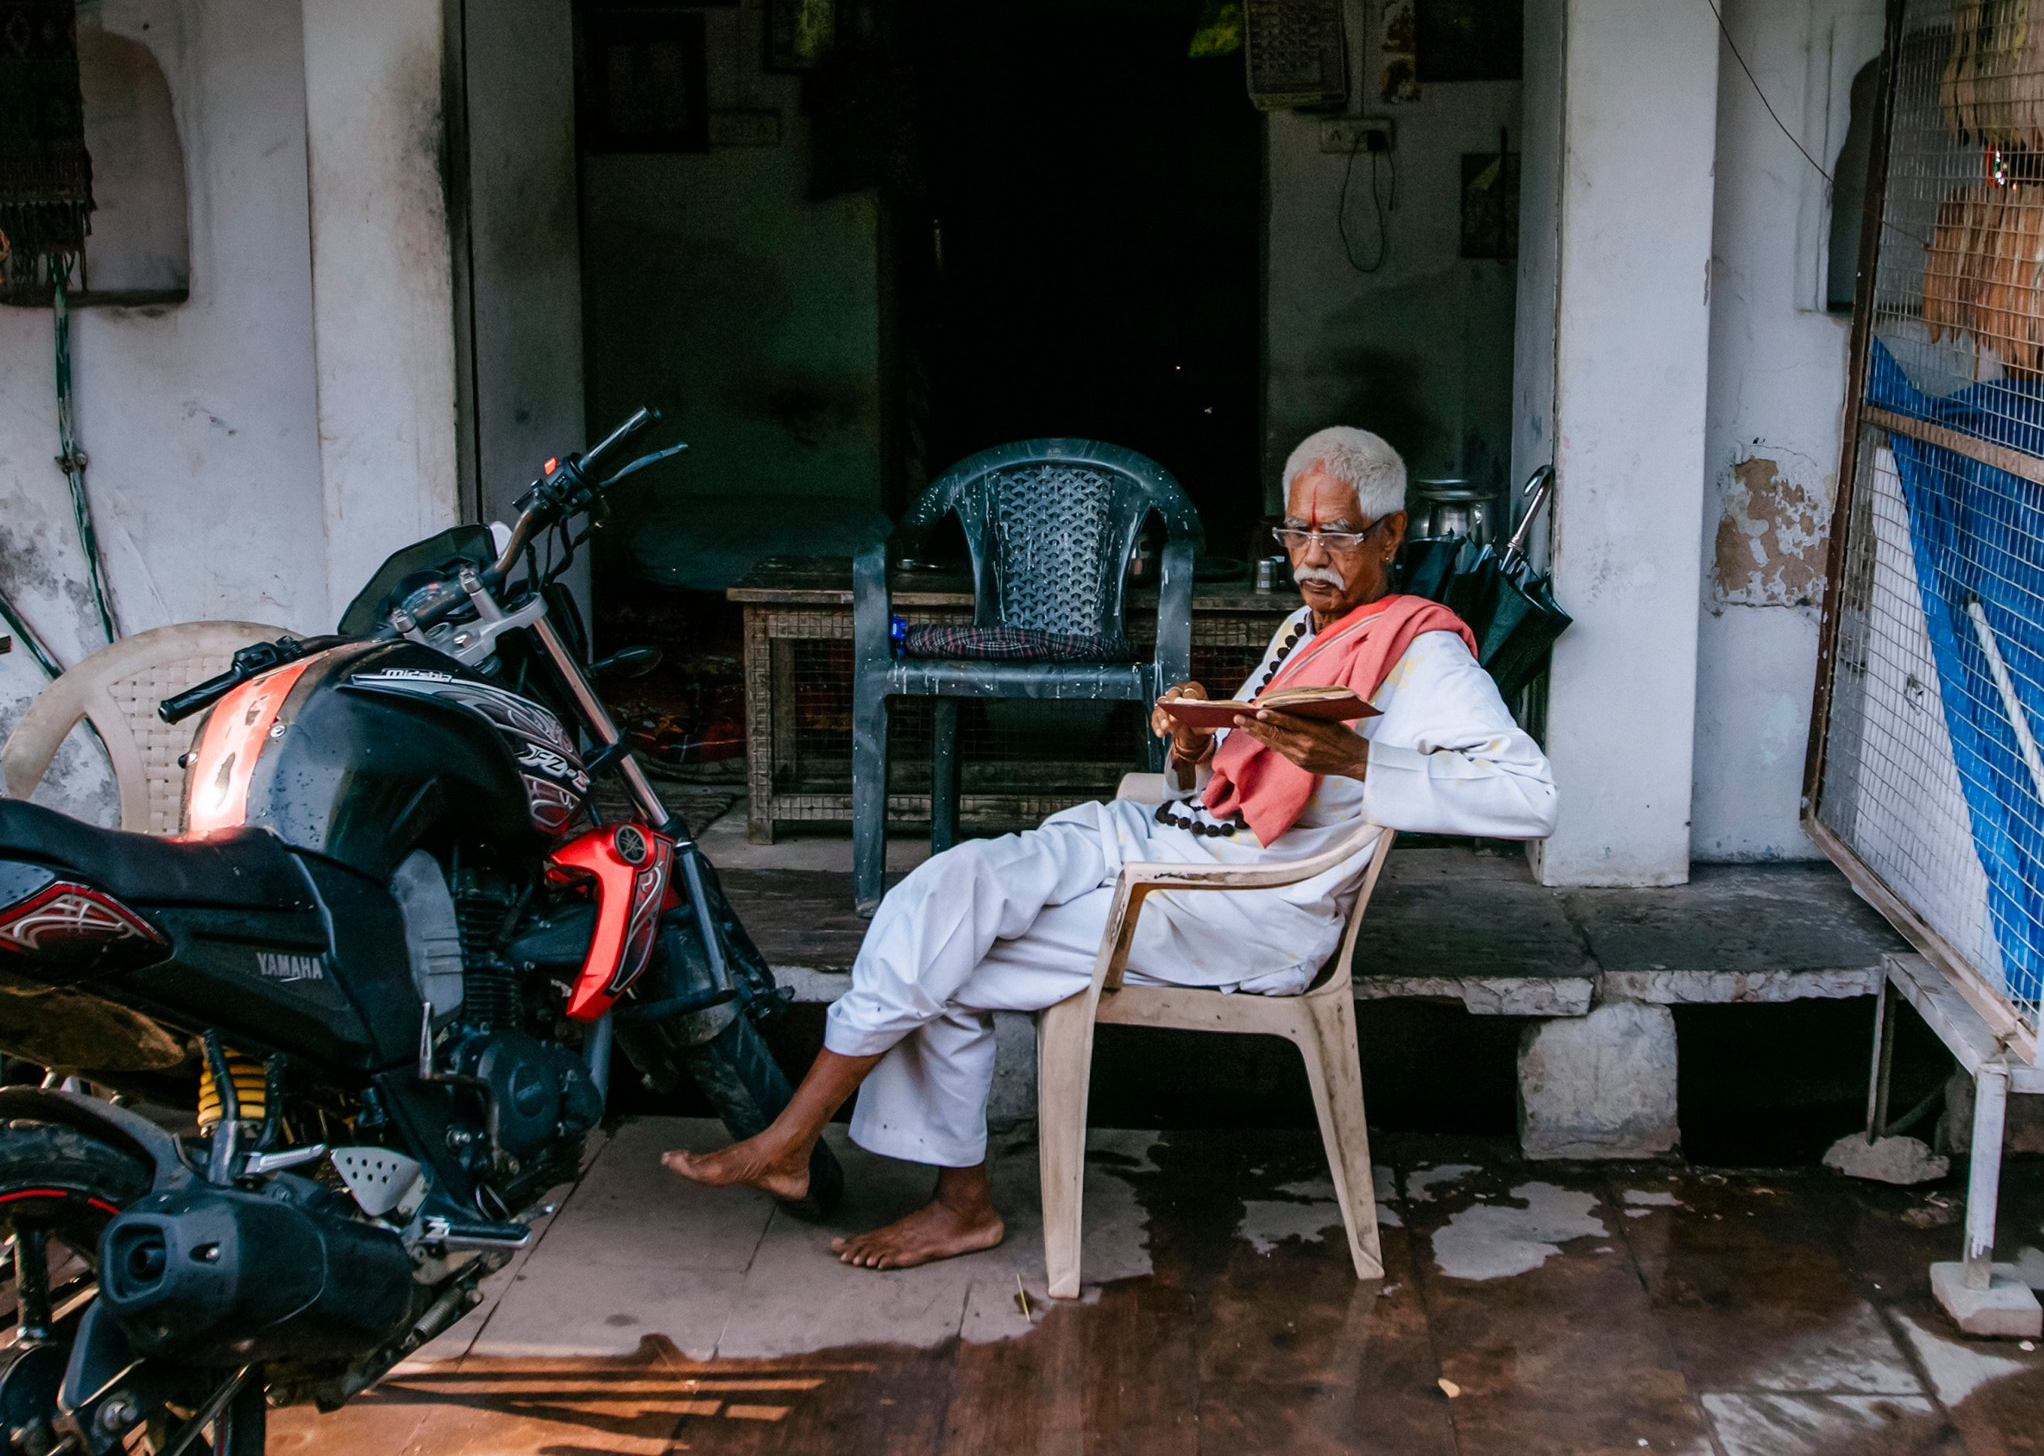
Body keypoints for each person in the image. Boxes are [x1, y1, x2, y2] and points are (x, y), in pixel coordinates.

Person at [662, 426, 1557, 1270]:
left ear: (1393, 532)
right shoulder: (1303, 631)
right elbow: (1216, 780)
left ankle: (838, 1155)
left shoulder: (1421, 652)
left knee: (950, 938)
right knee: (949, 882)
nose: (1310, 556)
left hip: (1252, 905)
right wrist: (1193, 741)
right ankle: (854, 1164)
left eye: (1338, 535)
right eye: (1296, 531)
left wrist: (1364, 758)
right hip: (1184, 847)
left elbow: (1530, 796)